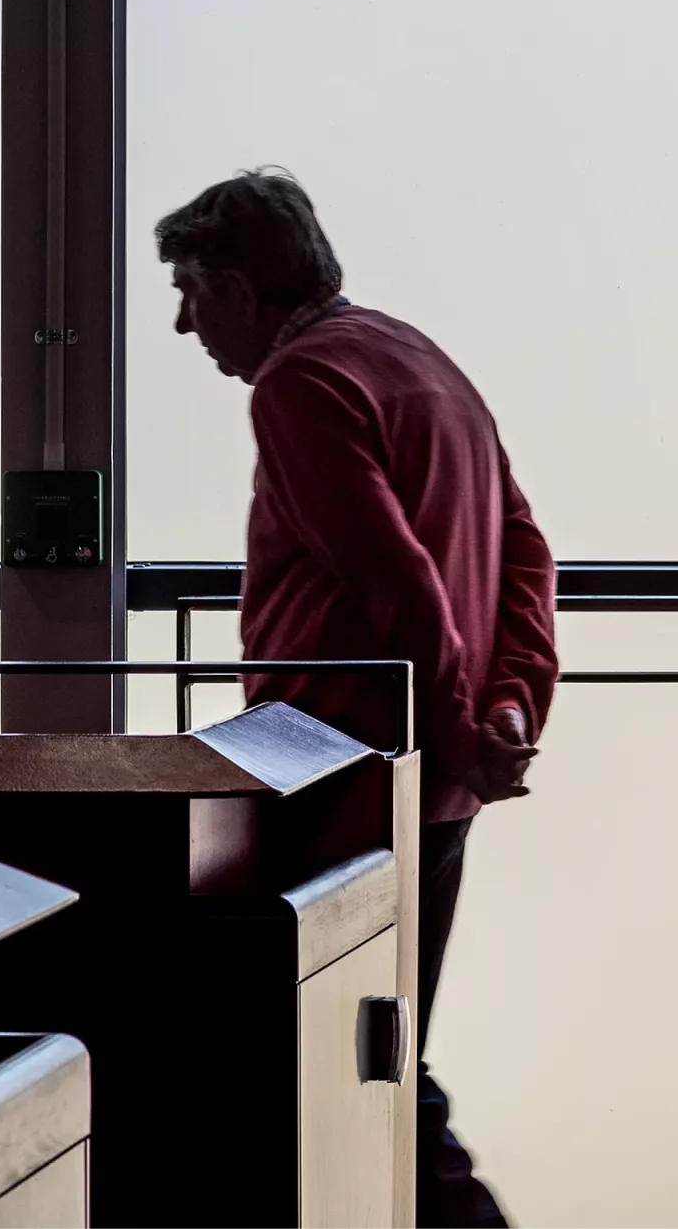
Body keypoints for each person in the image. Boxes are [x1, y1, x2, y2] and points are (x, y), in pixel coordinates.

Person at [154, 169, 555, 1229]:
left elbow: (395, 584)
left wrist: (466, 726)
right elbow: (523, 551)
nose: (185, 321)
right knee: (382, 1041)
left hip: (339, 775)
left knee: (332, 1049)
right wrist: (508, 714)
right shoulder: (417, 357)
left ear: (241, 288)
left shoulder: (301, 382)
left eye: (192, 291)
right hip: (434, 782)